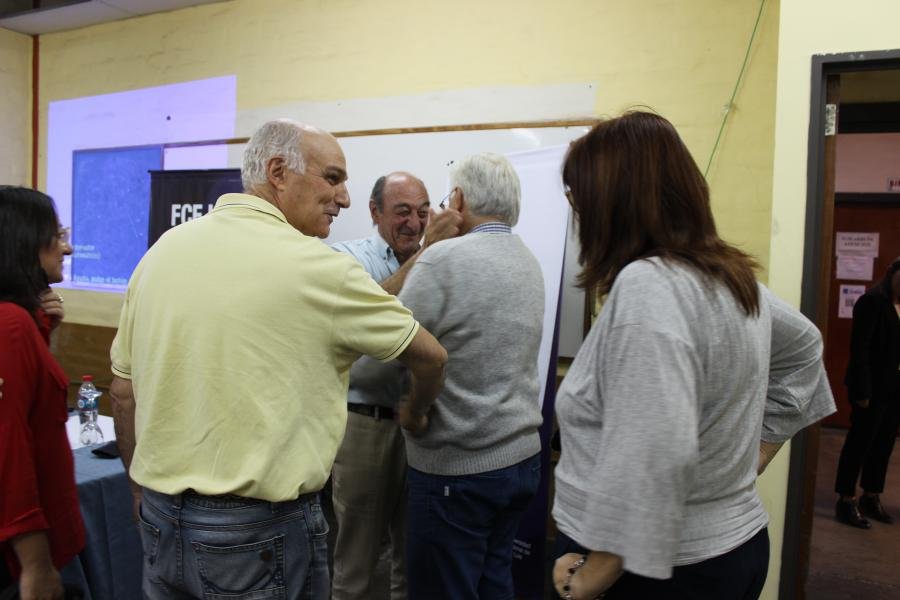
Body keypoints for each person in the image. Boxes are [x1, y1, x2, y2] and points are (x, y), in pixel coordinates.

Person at [108, 119, 447, 600]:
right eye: (332, 177)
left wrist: (142, 492)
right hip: (256, 535)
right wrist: (416, 408)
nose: (345, 198)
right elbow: (431, 356)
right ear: (278, 171)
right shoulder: (320, 269)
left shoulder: (161, 252)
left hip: (159, 518)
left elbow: (122, 391)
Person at [550, 111, 836, 600]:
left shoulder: (649, 286)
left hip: (653, 571)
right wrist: (757, 451)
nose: (576, 211)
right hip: (731, 546)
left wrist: (596, 574)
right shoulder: (725, 276)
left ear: (612, 201)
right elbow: (806, 344)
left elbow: (655, 447)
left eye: (577, 196)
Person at [389, 153, 545, 599]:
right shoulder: (528, 259)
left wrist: (415, 411)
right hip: (520, 459)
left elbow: (389, 344)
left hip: (457, 467)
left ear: (456, 199)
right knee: (494, 582)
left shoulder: (444, 261)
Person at [329, 172, 461, 600]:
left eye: (424, 212)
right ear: (374, 212)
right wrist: (427, 253)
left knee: (413, 554)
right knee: (358, 560)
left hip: (422, 427)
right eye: (402, 211)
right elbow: (373, 311)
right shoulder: (347, 258)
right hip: (364, 426)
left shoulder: (440, 259)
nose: (415, 222)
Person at [0, 186, 83, 600]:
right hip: (17, 558)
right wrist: (35, 564)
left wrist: (44, 329)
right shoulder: (10, 325)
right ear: (25, 242)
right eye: (57, 235)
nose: (66, 248)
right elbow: (9, 450)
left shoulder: (22, 320)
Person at [834, 257, 900, 527]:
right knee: (860, 442)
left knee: (884, 443)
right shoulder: (872, 302)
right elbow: (859, 350)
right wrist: (863, 390)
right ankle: (846, 499)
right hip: (871, 387)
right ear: (892, 274)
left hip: (896, 388)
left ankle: (870, 496)